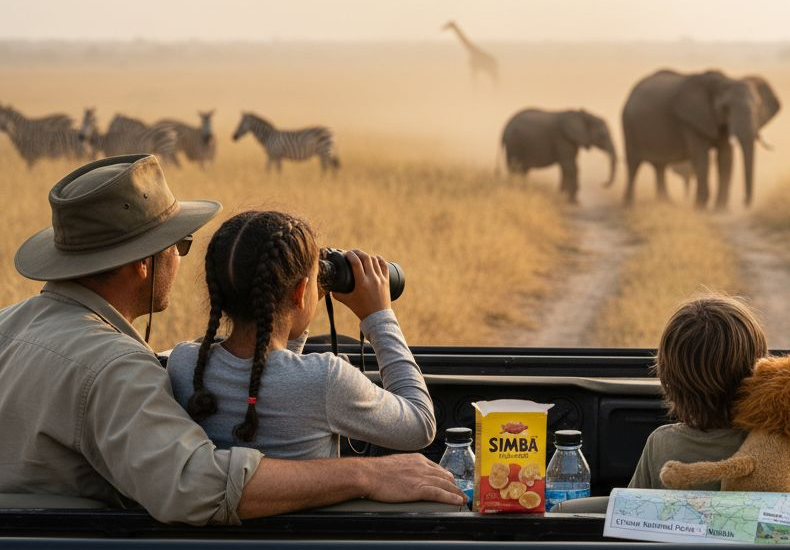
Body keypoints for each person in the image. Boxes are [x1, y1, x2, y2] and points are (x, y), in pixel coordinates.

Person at [0, 155, 463, 525]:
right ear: (142, 263)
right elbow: (194, 487)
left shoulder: (9, 325)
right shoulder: (115, 369)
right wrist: (366, 472)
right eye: (179, 245)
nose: (181, 260)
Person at [167, 210, 435, 458]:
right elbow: (420, 425)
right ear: (298, 292)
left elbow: (272, 371)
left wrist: (298, 302)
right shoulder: (325, 379)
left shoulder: (184, 364)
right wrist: (379, 316)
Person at [628, 294, 790, 514]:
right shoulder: (785, 447)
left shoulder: (659, 445)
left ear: (668, 379)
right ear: (759, 375)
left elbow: (629, 512)